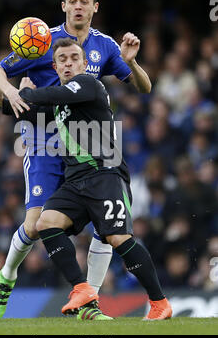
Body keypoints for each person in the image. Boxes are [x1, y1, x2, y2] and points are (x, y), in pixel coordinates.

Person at [0, 0, 151, 320]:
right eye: (72, 1)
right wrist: (11, 93)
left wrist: (132, 62)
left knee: (107, 228)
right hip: (44, 139)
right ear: (63, 6)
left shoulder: (105, 46)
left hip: (88, 143)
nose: (78, 6)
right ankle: (7, 276)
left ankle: (88, 305)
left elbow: (143, 87)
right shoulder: (40, 39)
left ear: (94, 7)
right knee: (34, 226)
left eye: (84, 1)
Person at [15, 37, 172, 320]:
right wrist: (3, 95)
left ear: (85, 64)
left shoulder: (89, 85)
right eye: (62, 60)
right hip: (76, 181)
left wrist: (25, 93)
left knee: (118, 239)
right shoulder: (61, 103)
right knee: (46, 223)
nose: (68, 63)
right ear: (55, 66)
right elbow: (25, 108)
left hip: (105, 174)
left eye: (74, 58)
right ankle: (81, 288)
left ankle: (160, 302)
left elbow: (48, 97)